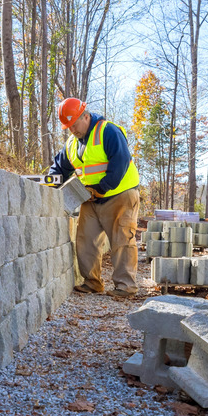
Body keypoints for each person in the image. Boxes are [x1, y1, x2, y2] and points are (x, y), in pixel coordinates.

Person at [49, 97, 140, 298]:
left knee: (121, 240)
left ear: (86, 116)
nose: (72, 130)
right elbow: (59, 169)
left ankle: (125, 287)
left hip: (120, 194)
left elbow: (120, 162)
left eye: (75, 124)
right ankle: (92, 282)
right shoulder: (72, 144)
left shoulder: (108, 131)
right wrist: (46, 186)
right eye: (68, 127)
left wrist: (102, 188)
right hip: (91, 197)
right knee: (85, 239)